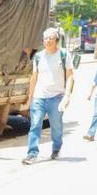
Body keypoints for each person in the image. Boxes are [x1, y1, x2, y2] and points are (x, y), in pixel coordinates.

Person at [23, 27, 75, 165]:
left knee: (56, 126)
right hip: (39, 97)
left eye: (50, 38)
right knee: (35, 125)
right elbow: (34, 77)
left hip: (56, 97)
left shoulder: (63, 54)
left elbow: (70, 76)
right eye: (45, 38)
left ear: (56, 40)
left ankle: (56, 148)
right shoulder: (38, 56)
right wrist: (30, 97)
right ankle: (32, 153)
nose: (48, 41)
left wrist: (67, 96)